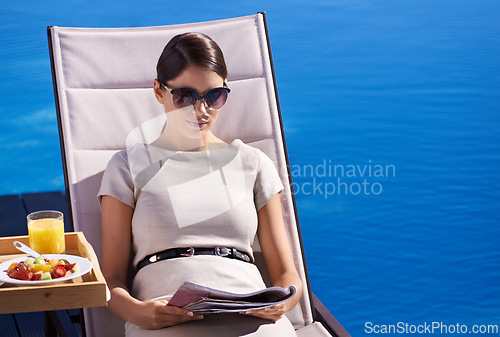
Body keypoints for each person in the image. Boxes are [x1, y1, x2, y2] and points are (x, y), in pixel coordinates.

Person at [98, 32, 303, 336]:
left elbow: (288, 275)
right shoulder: (126, 166)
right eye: (185, 96)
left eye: (214, 96)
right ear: (159, 91)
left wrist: (283, 304)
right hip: (165, 319)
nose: (201, 111)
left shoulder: (253, 163)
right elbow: (110, 278)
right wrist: (137, 312)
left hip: (251, 319)